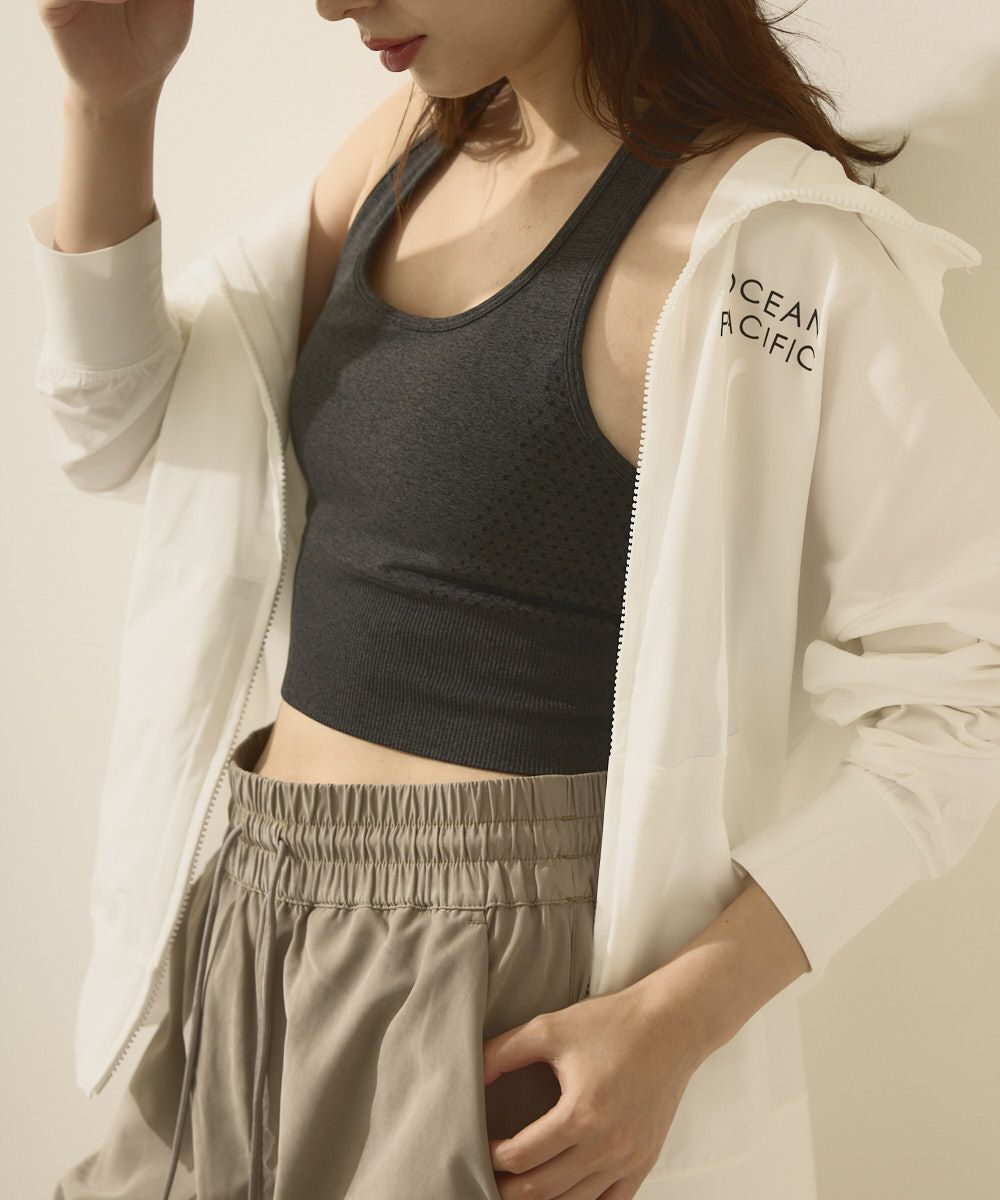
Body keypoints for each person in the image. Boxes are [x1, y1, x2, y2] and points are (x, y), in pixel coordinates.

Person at [29, 1, 1000, 1198]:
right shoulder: (405, 149)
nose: (331, 3)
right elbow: (121, 431)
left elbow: (966, 690)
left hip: (492, 981)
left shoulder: (768, 241)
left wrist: (675, 1023)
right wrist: (110, 105)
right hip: (246, 908)